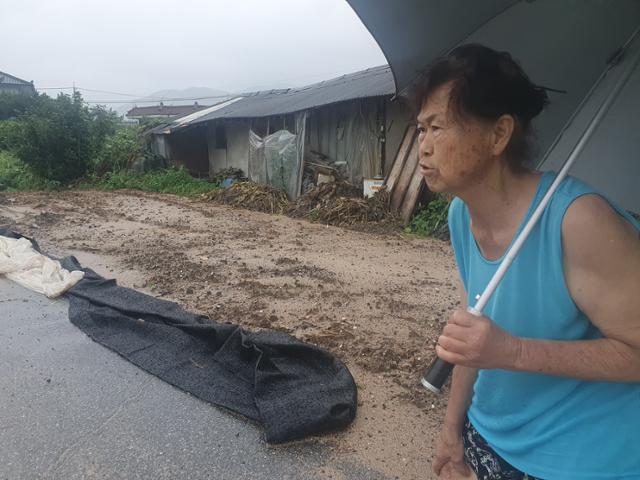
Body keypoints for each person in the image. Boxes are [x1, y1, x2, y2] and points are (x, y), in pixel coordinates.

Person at [412, 44, 640, 479]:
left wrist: (512, 351)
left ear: (499, 134)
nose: (423, 147)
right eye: (420, 129)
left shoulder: (579, 221)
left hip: (582, 462)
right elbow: (471, 326)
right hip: (491, 443)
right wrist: (451, 429)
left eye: (437, 127)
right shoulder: (461, 213)